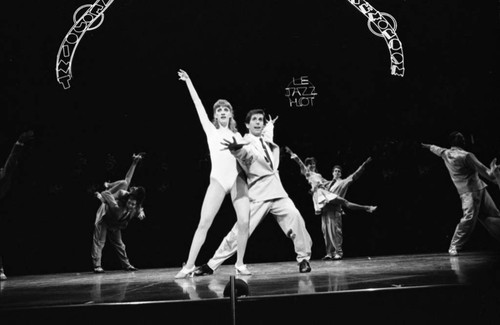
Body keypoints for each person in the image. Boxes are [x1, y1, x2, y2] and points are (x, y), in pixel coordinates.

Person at [194, 109, 313, 276]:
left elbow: (267, 135)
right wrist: (236, 150)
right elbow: (245, 155)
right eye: (254, 120)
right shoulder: (244, 142)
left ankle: (303, 259)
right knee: (240, 231)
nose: (258, 122)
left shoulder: (265, 138)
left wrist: (270, 124)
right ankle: (211, 264)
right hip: (259, 193)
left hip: (277, 191)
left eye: (261, 120)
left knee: (295, 217)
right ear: (247, 125)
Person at [175, 69, 250, 278]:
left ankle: (240, 263)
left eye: (226, 109)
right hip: (218, 180)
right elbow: (197, 103)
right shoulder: (211, 130)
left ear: (231, 114)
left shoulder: (239, 135)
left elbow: (248, 157)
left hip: (237, 180)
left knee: (244, 221)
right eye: (219, 110)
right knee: (204, 223)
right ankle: (189, 265)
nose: (223, 112)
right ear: (215, 115)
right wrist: (189, 81)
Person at [285, 149, 376, 260]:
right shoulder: (326, 183)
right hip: (325, 209)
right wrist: (313, 189)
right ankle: (329, 253)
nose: (337, 173)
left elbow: (355, 175)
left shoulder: (342, 182)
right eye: (335, 171)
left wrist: (364, 164)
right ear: (332, 173)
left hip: (334, 209)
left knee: (335, 232)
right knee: (326, 233)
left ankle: (339, 252)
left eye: (339, 171)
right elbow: (308, 173)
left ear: (341, 174)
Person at [422, 131, 500, 256]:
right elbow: (486, 173)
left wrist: (425, 146)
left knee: (494, 215)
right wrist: (495, 174)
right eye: (462, 138)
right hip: (471, 193)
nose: (463, 140)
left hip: (478, 189)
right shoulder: (467, 155)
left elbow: (433, 147)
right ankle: (454, 245)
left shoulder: (445, 153)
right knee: (469, 219)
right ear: (460, 142)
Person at [92, 153, 146, 273]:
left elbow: (138, 208)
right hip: (106, 218)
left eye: (134, 205)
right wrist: (108, 199)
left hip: (116, 224)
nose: (131, 205)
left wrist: (140, 212)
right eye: (130, 203)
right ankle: (97, 266)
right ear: (128, 199)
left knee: (120, 245)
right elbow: (127, 180)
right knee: (100, 241)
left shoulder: (136, 207)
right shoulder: (122, 195)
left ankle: (127, 265)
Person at [0, 131, 34, 280]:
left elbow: (10, 164)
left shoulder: (5, 177)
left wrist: (19, 143)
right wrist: (19, 143)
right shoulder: (5, 175)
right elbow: (9, 164)